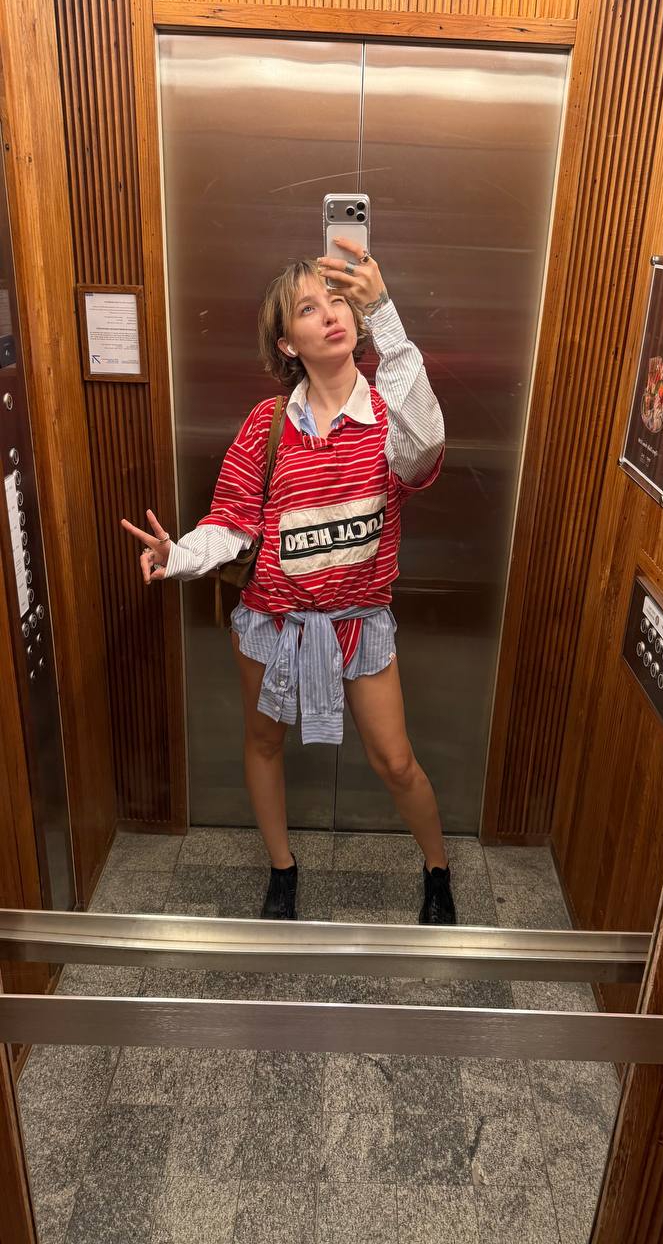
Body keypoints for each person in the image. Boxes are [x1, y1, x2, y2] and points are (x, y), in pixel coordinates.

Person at [121, 238, 456, 926]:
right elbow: (232, 522)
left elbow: (424, 449)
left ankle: (438, 868)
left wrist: (385, 315)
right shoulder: (266, 425)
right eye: (309, 308)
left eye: (339, 301)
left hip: (359, 621)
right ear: (286, 343)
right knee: (265, 743)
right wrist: (178, 553)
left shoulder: (388, 417)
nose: (331, 314)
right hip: (272, 621)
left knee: (395, 761)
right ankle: (282, 868)